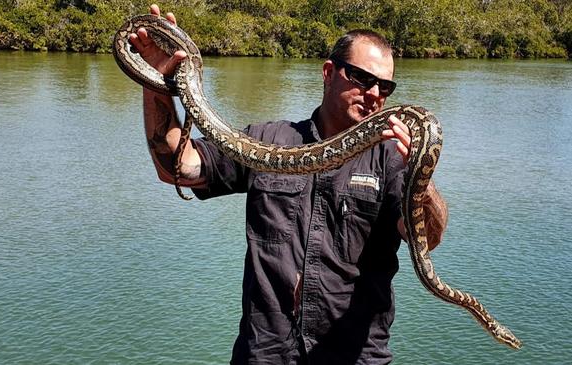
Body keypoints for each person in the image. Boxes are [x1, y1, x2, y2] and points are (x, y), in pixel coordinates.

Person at [130, 4, 448, 364]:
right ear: (329, 72)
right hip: (267, 354)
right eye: (361, 78)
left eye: (385, 86)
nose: (374, 93)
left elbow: (427, 240)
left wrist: (422, 179)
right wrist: (155, 80)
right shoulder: (267, 140)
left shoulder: (391, 161)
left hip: (353, 356)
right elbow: (178, 167)